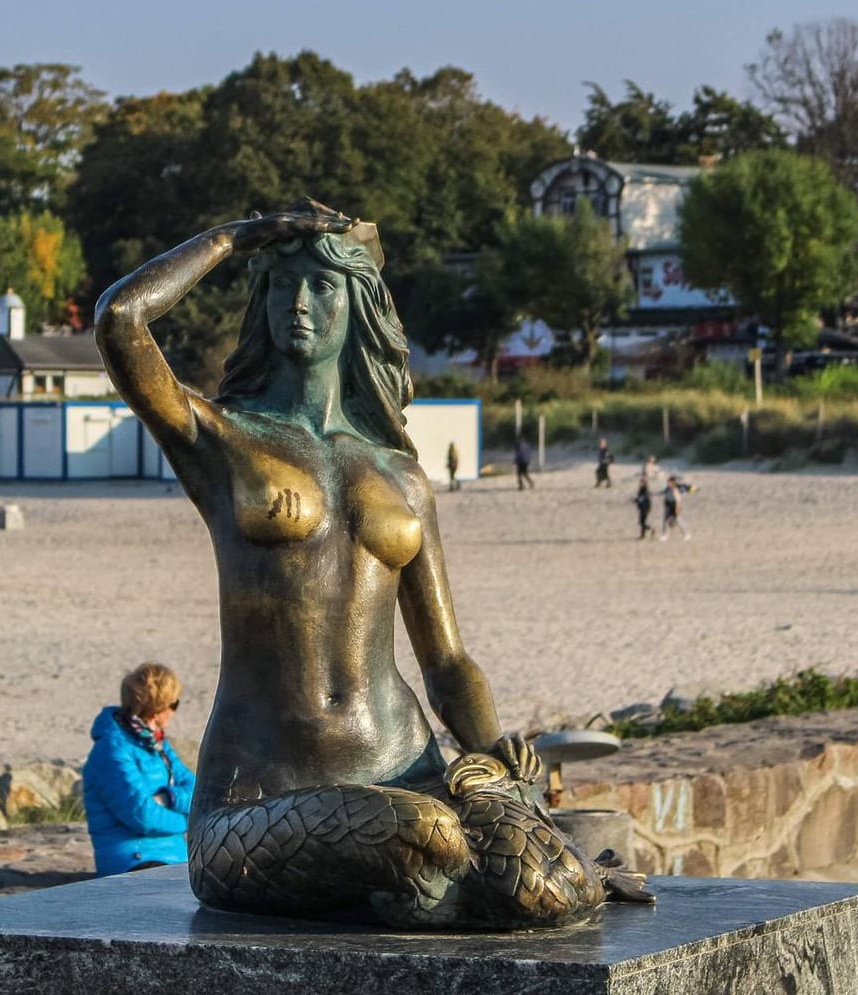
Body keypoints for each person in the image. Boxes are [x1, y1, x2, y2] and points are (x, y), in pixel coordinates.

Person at [93, 201, 648, 927]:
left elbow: (446, 661)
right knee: (428, 834)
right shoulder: (222, 440)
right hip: (254, 806)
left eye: (321, 285)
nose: (298, 302)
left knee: (544, 885)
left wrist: (495, 757)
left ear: (359, 304)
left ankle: (488, 879)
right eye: (281, 284)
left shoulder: (400, 474)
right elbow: (119, 321)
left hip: (405, 762)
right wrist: (235, 237)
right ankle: (447, 885)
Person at [81, 662, 197, 877]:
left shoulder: (157, 745)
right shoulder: (111, 751)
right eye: (174, 704)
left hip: (174, 857)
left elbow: (197, 790)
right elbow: (141, 815)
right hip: (132, 860)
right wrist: (188, 822)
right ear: (158, 708)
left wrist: (169, 797)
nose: (174, 711)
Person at [659, 475, 688, 542]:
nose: (668, 483)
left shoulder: (675, 490)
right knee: (665, 520)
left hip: (674, 506)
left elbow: (678, 500)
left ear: (673, 482)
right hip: (668, 505)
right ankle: (664, 535)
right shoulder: (667, 488)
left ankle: (686, 534)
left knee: (678, 520)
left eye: (669, 482)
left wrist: (678, 508)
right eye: (668, 482)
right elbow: (662, 492)